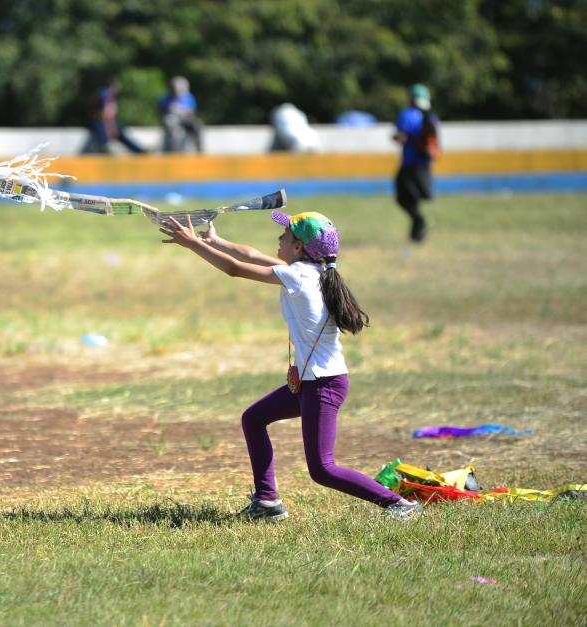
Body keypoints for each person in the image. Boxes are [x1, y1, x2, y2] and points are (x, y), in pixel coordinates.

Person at [158, 211, 423, 520]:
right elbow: (252, 255)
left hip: (323, 385)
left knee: (323, 469)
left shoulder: (297, 276)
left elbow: (234, 268)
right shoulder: (311, 272)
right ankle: (267, 502)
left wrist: (192, 244)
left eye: (285, 235)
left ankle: (398, 504)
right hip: (313, 382)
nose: (279, 238)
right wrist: (216, 241)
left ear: (299, 248)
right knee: (254, 419)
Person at [393, 83, 440, 242]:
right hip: (425, 165)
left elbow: (402, 136)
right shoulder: (431, 116)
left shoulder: (407, 114)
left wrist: (395, 137)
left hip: (410, 164)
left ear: (411, 99)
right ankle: (417, 234)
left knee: (402, 198)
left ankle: (419, 221)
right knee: (413, 198)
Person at [89, 78, 147, 154]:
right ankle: (106, 149)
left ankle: (138, 150)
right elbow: (107, 115)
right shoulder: (106, 95)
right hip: (100, 122)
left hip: (102, 121)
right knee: (110, 133)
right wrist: (111, 128)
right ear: (112, 86)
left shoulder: (104, 93)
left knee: (120, 130)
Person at [158, 76, 203, 153]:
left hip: (185, 119)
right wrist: (169, 109)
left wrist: (185, 111)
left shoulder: (188, 97)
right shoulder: (165, 98)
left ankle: (199, 151)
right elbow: (160, 112)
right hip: (172, 119)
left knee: (197, 125)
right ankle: (173, 151)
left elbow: (192, 112)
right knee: (171, 124)